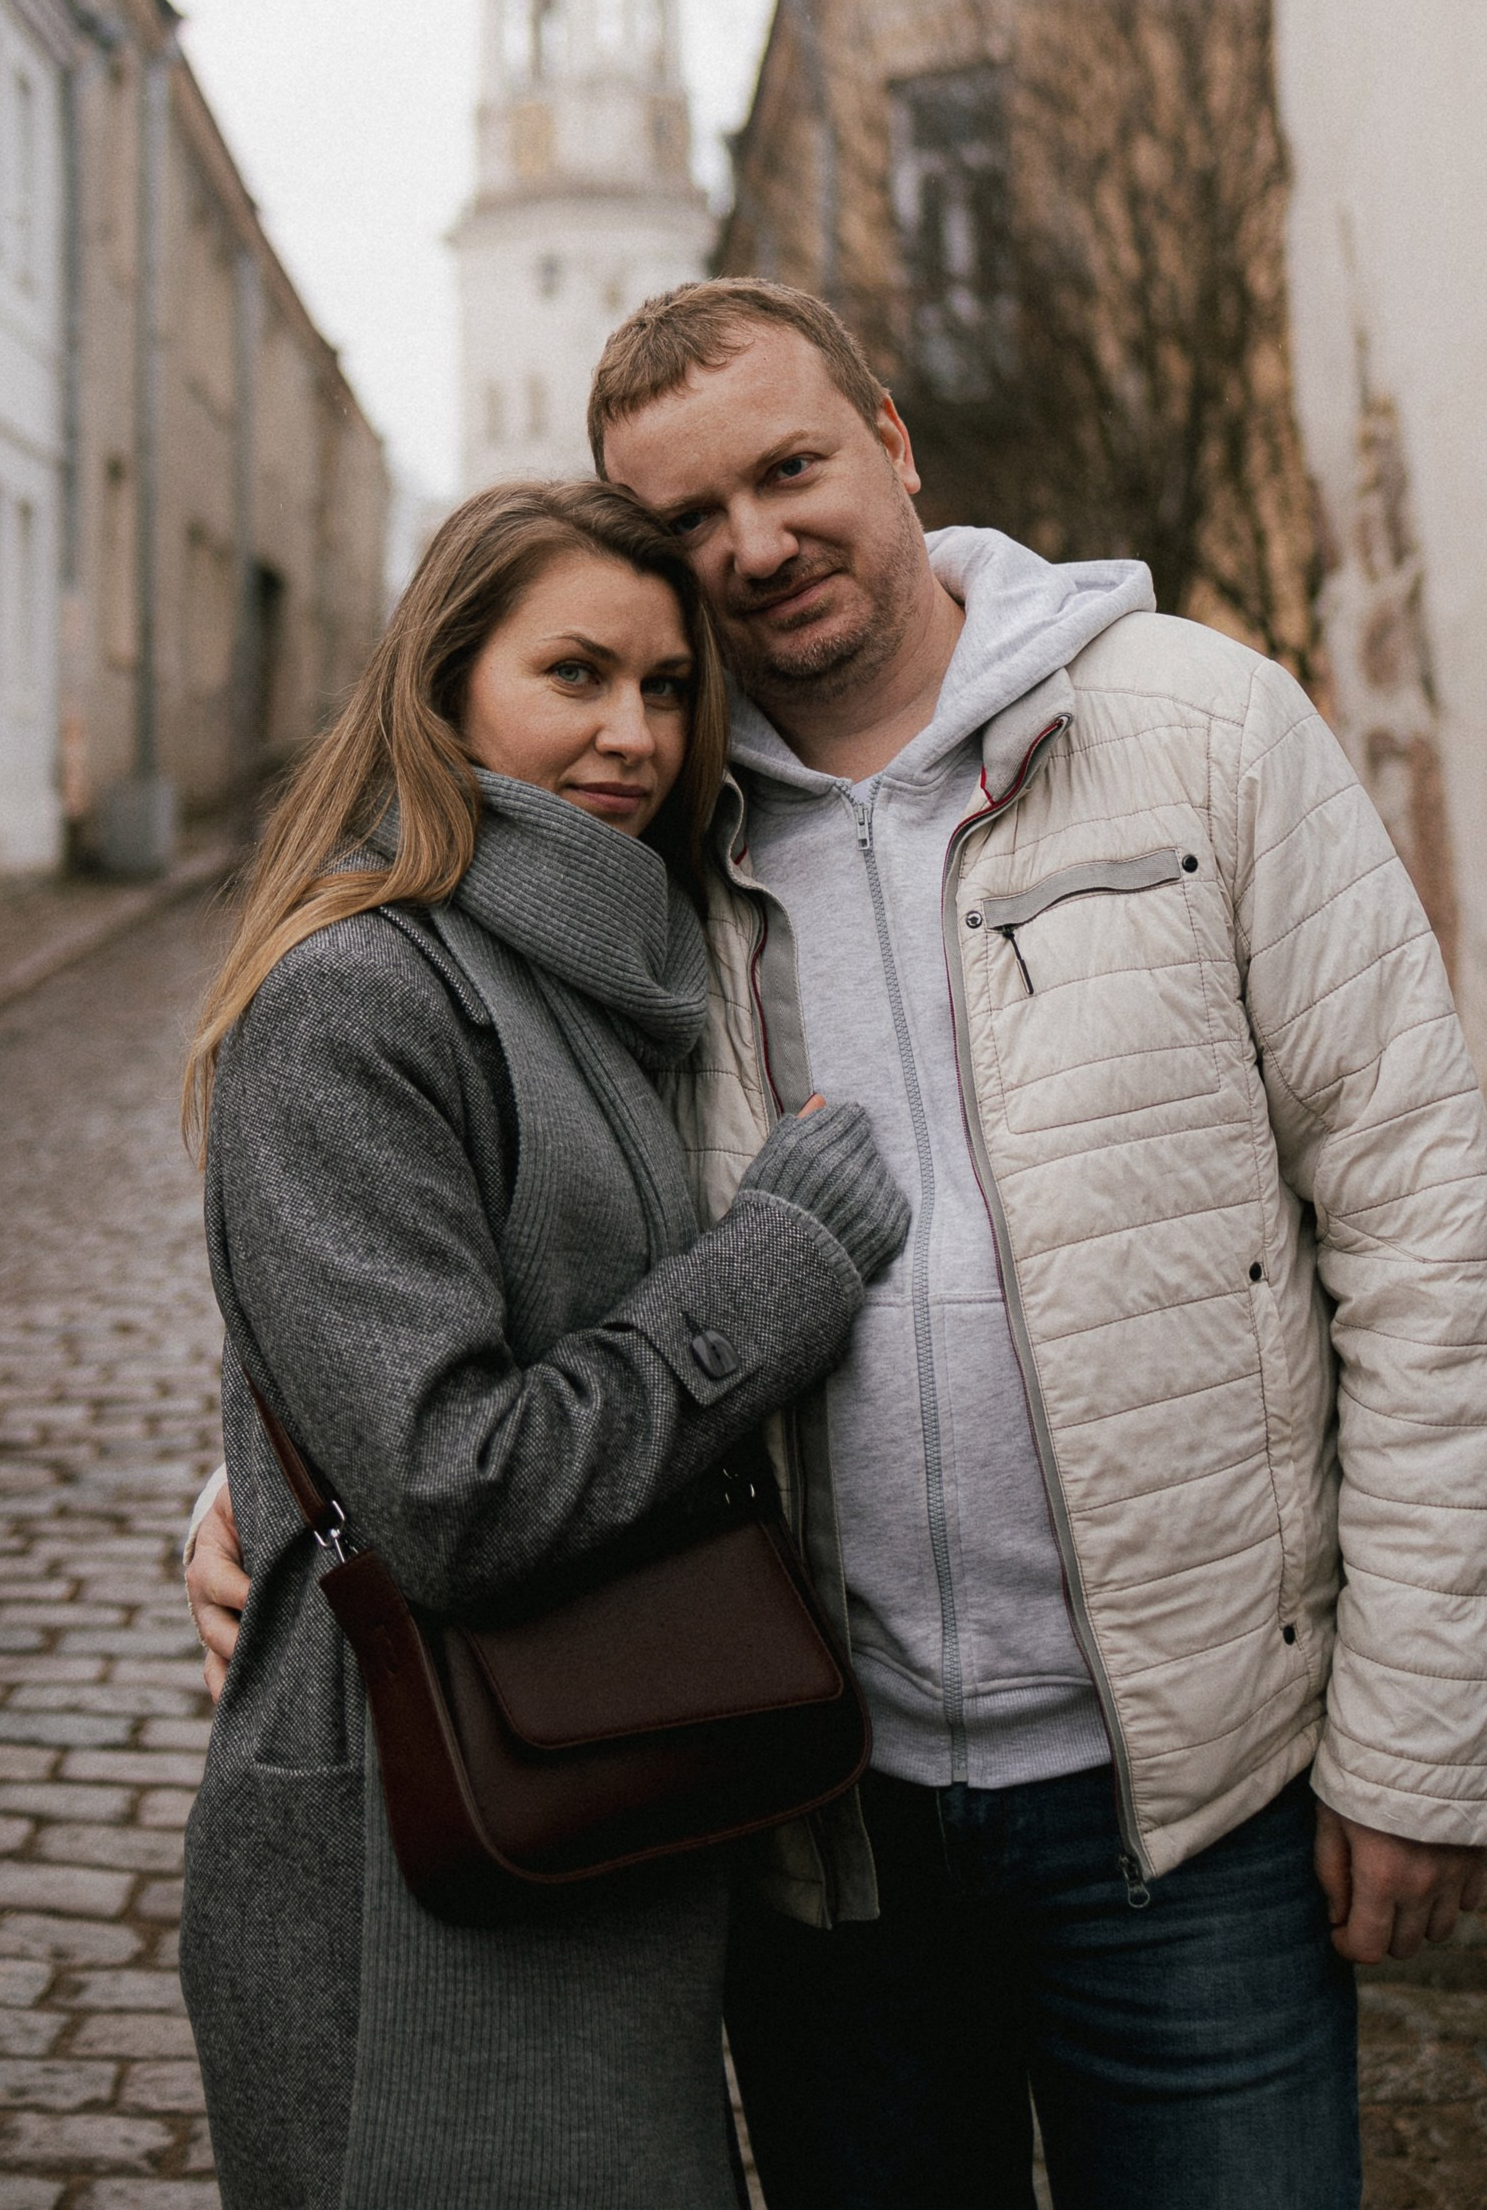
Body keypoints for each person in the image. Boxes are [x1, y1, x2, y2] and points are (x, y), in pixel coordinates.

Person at [188, 281, 1487, 2210]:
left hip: (1193, 1801)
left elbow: (1422, 1239)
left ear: (892, 445)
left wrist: (1423, 1744)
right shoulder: (647, 845)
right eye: (690, 524)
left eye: (793, 466)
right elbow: (472, 1223)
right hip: (818, 1823)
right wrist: (263, 1482)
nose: (753, 541)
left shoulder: (1193, 728)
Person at [179, 474, 909, 2210]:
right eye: (572, 674)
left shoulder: (601, 973)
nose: (631, 733)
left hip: (614, 1788)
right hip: (412, 1840)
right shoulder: (358, 995)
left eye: (666, 687)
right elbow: (444, 1487)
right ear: (444, 689)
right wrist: (779, 1268)